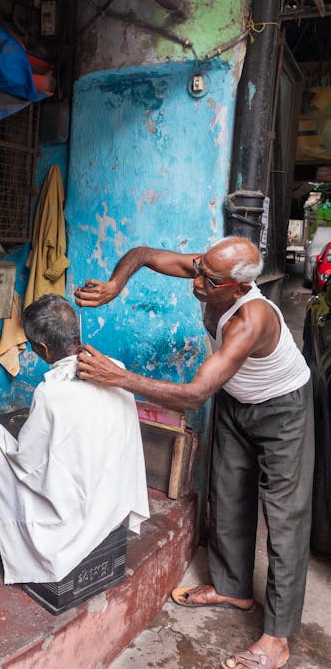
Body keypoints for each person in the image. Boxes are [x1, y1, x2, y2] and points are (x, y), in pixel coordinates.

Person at [74, 236, 313, 669]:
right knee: (227, 491)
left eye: (207, 277)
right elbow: (144, 255)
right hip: (236, 400)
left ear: (236, 288)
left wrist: (116, 377)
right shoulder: (210, 273)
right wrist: (114, 285)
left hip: (282, 409)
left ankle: (277, 638)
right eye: (199, 266)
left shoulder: (250, 320)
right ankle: (232, 588)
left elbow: (194, 395)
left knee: (285, 517)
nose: (195, 278)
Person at [0, 294, 149, 585]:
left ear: (42, 348)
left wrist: (15, 439)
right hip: (111, 499)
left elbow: (28, 463)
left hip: (71, 514)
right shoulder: (115, 367)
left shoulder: (50, 394)